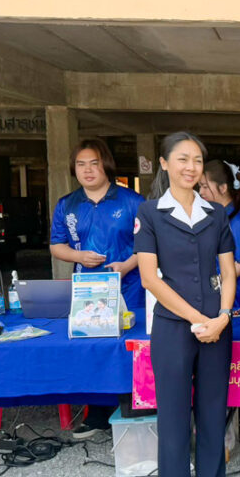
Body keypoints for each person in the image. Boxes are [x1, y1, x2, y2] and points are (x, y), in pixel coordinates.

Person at [134, 131, 236, 477]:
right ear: (164, 164)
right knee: (174, 419)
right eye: (182, 159)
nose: (191, 167)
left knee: (212, 416)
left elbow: (228, 271)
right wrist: (199, 319)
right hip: (175, 330)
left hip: (217, 328)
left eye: (197, 160)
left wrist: (223, 317)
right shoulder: (151, 213)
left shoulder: (216, 214)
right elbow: (149, 278)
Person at [49, 138, 144, 439]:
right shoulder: (67, 204)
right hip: (89, 291)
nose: (87, 170)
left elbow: (149, 246)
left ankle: (137, 407)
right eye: (81, 164)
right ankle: (98, 414)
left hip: (130, 287)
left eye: (94, 163)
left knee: (131, 347)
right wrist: (78, 256)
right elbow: (56, 246)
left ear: (106, 165)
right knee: (93, 348)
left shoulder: (132, 202)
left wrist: (127, 265)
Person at [198, 160, 240, 311]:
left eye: (205, 186)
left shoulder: (237, 222)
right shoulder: (219, 216)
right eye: (200, 186)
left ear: (223, 188)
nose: (201, 192)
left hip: (236, 300)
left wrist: (214, 283)